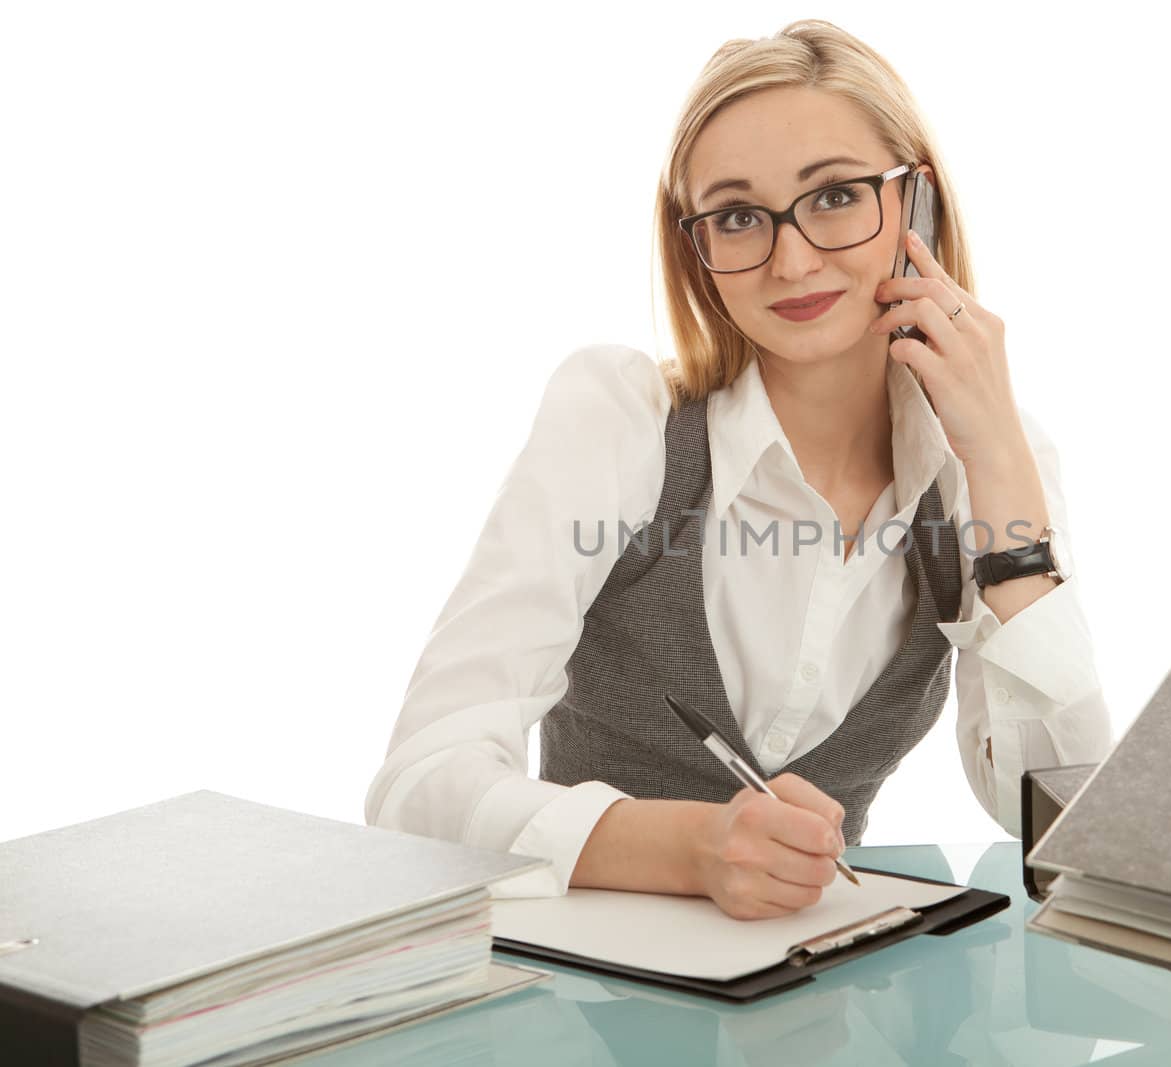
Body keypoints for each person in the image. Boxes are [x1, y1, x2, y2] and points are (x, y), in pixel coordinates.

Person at [364, 19, 1112, 919]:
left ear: (916, 203)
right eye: (739, 216)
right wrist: (692, 847)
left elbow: (1063, 827)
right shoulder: (621, 417)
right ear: (697, 246)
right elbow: (418, 783)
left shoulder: (988, 468)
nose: (792, 258)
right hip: (586, 1000)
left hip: (826, 996)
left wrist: (998, 462)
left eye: (835, 195)